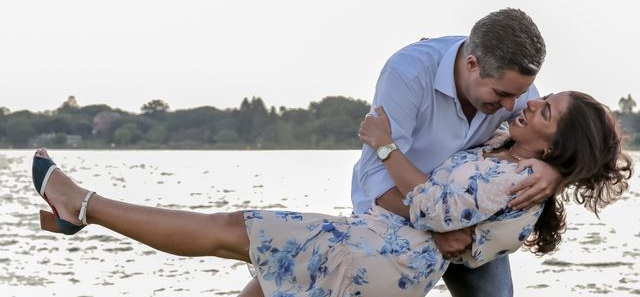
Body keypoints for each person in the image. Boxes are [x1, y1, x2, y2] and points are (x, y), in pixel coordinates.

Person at [32, 91, 632, 297]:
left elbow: (433, 210)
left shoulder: (513, 176)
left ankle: (81, 204)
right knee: (261, 280)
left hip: (379, 255)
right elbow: (448, 221)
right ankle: (78, 209)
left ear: (553, 143)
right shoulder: (516, 158)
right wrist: (562, 173)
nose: (530, 104)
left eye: (544, 109)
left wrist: (383, 146)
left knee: (231, 231)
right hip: (385, 256)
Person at [351, 7, 554, 297]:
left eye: (519, 94)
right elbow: (374, 176)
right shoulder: (407, 73)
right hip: (395, 210)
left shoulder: (512, 83)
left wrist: (553, 170)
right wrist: (440, 228)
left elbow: (557, 134)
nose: (512, 106)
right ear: (472, 64)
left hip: (470, 218)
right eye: (501, 95)